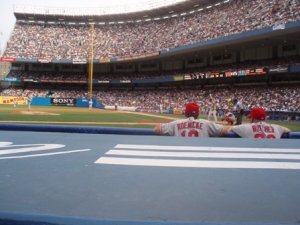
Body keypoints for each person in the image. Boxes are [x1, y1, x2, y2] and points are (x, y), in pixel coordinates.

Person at [153, 102, 228, 137]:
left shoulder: (175, 123)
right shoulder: (206, 123)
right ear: (198, 114)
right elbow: (224, 131)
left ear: (185, 114)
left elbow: (156, 129)